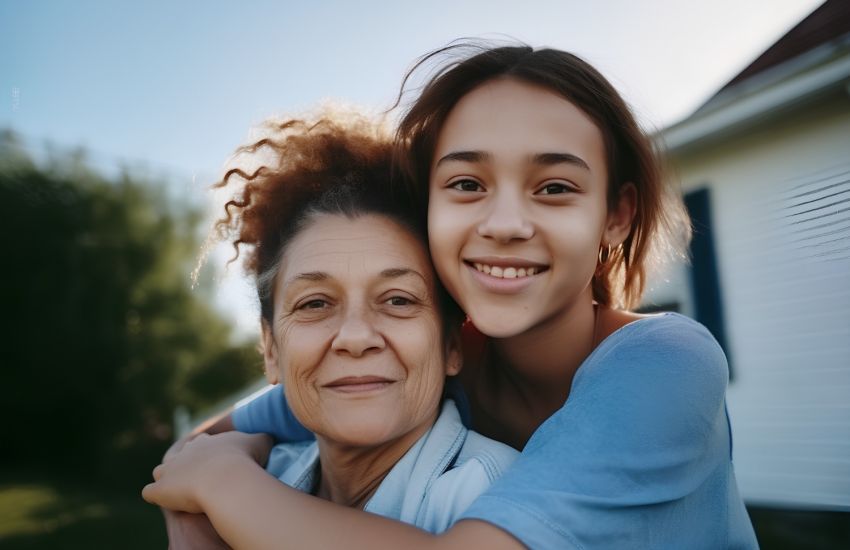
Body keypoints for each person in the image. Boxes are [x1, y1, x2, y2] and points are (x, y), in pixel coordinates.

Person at [144, 43, 758, 549]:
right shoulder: (429, 354)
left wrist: (226, 490)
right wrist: (201, 500)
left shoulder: (665, 362)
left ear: (616, 216)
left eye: (555, 187)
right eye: (467, 182)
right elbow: (207, 444)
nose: (505, 223)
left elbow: (209, 470)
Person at [150, 113, 518, 544]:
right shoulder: (264, 473)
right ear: (271, 351)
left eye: (398, 300)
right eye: (316, 304)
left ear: (451, 344)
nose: (356, 337)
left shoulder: (496, 499)